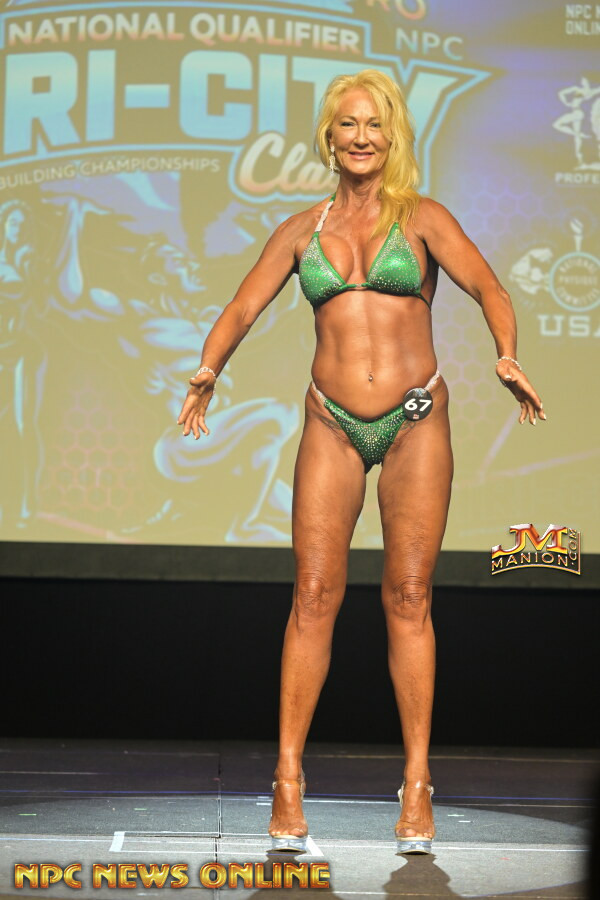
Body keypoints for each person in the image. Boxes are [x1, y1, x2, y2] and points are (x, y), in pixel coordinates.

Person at [177, 69, 545, 854]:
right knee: (313, 596)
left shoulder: (424, 220)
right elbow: (242, 306)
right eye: (348, 124)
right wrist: (209, 368)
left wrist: (507, 353)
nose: (361, 137)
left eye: (375, 124)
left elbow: (489, 287)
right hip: (331, 420)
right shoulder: (299, 231)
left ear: (393, 135)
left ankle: (417, 783)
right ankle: (287, 777)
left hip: (415, 419)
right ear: (329, 137)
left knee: (408, 596)